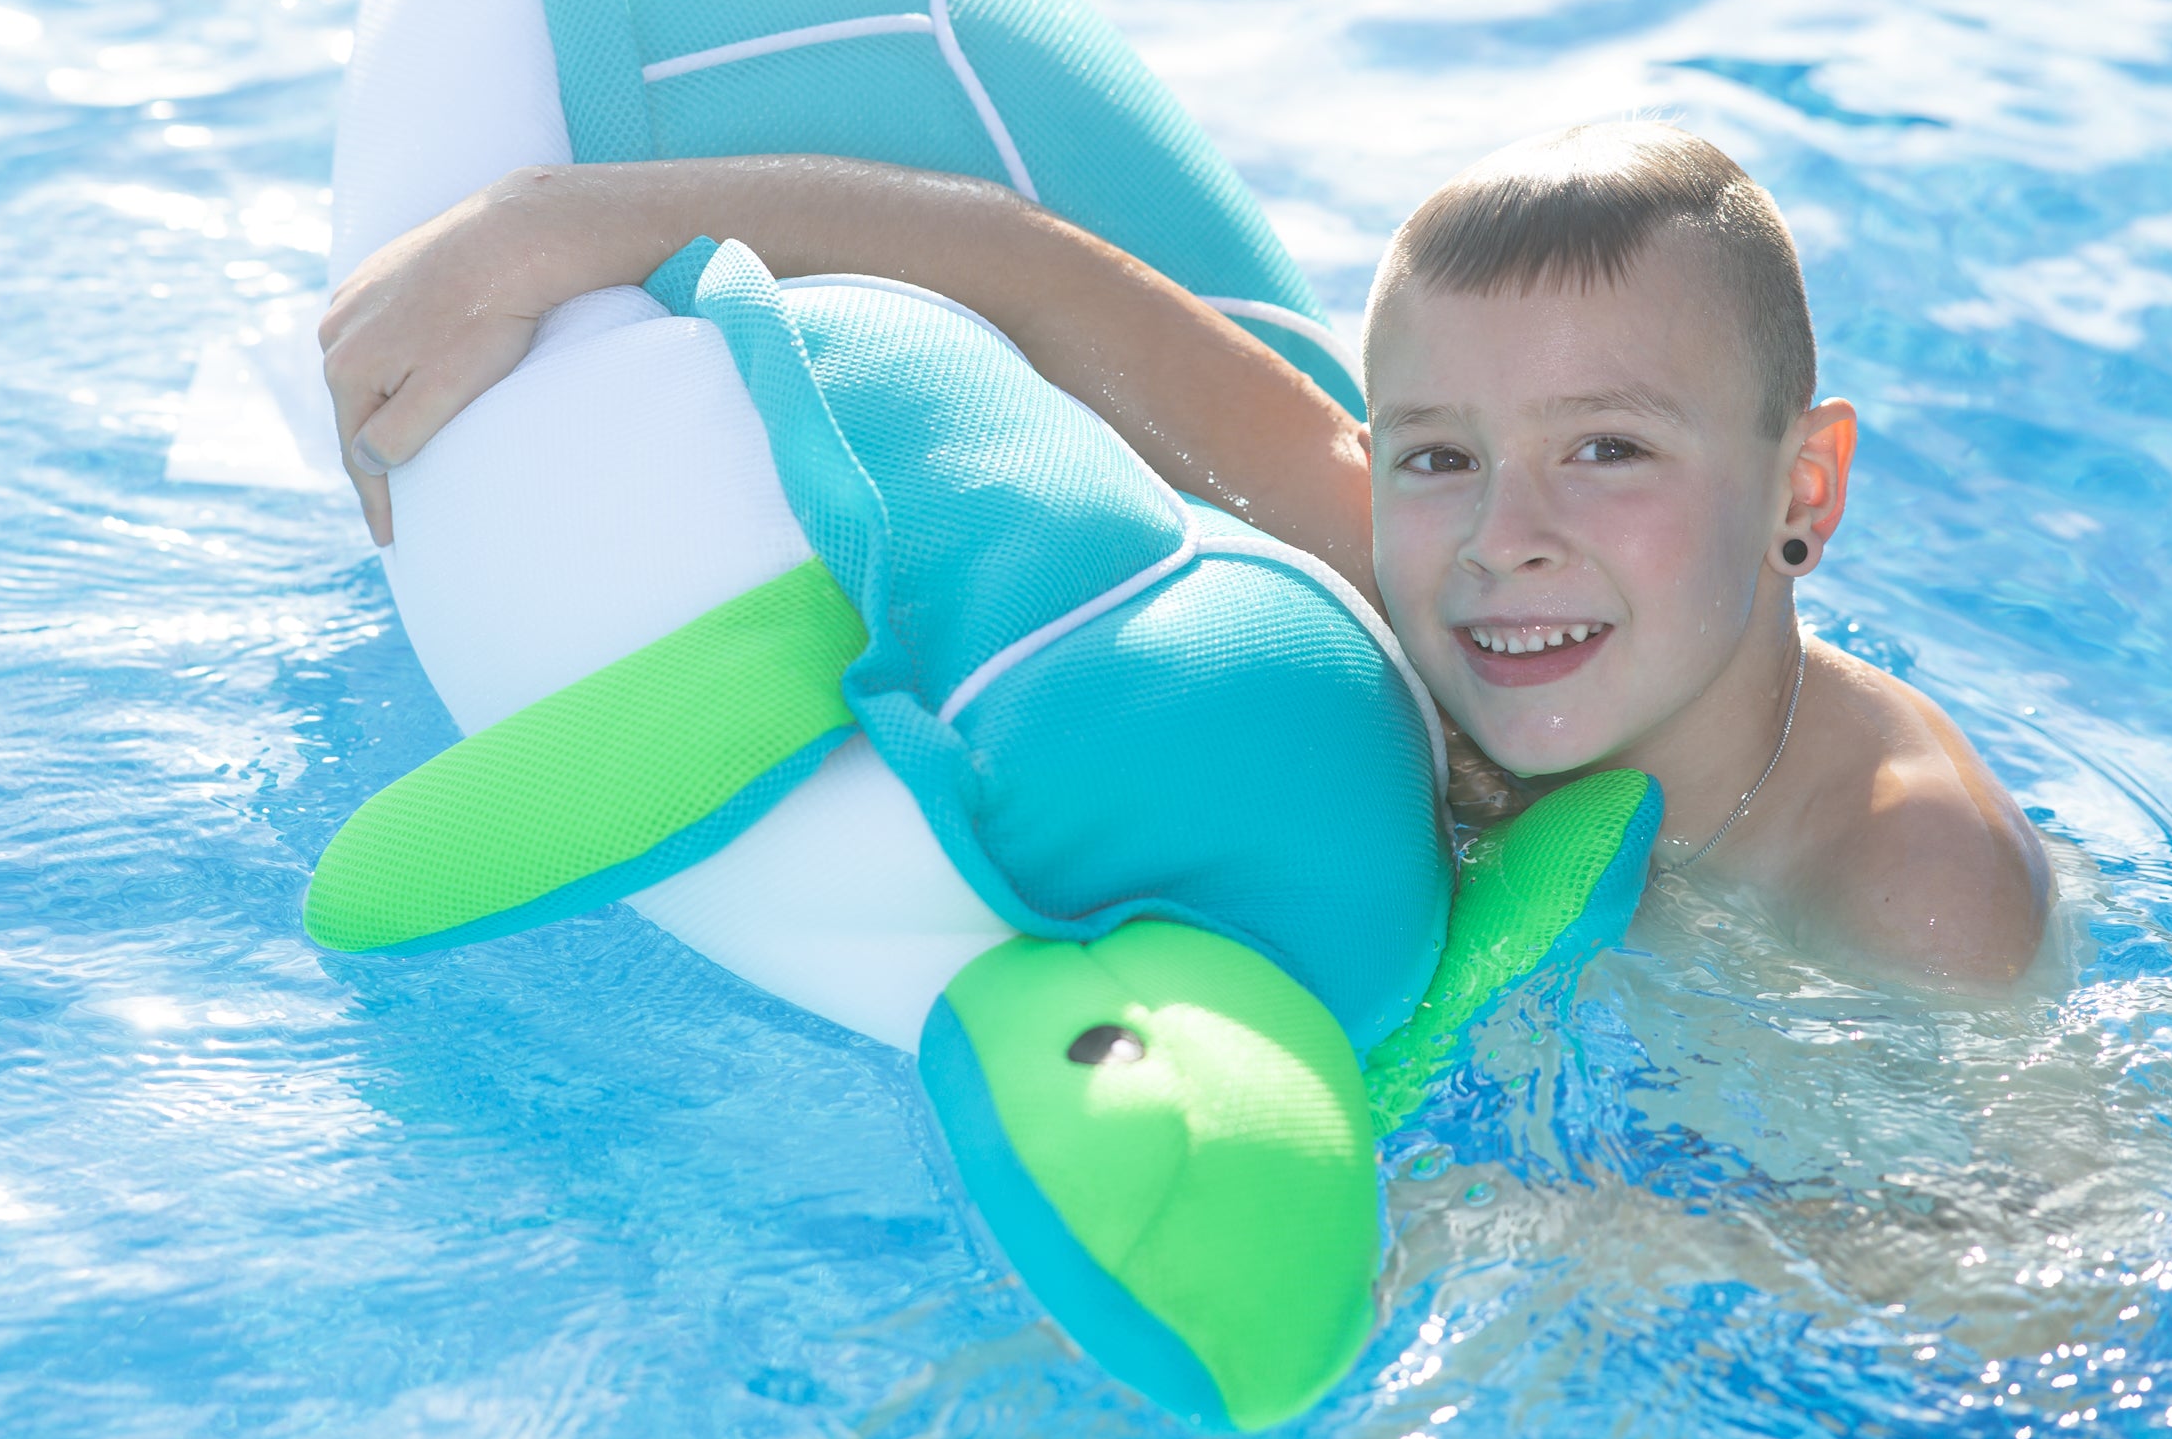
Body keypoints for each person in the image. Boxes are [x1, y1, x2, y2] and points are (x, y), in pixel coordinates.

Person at [318, 119, 2048, 985]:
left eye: (1610, 450)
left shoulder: (1906, 886)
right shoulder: (1416, 562)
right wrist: (550, 232)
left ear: (1804, 491)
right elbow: (1031, 278)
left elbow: (1999, 1297)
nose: (1507, 538)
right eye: (1440, 455)